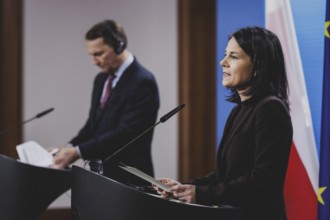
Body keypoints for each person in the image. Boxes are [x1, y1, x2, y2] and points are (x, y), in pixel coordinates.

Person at [154, 26, 293, 220]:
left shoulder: (270, 109)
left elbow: (264, 180)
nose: (222, 62)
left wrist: (201, 194)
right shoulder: (239, 110)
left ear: (258, 66)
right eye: (225, 54)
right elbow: (224, 176)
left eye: (233, 57)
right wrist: (181, 187)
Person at [51, 19, 160, 186]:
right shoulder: (101, 79)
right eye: (91, 55)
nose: (94, 61)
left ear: (119, 46)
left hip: (129, 183)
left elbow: (126, 133)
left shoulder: (142, 81)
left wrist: (77, 152)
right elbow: (92, 126)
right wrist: (67, 148)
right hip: (101, 178)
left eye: (99, 54)